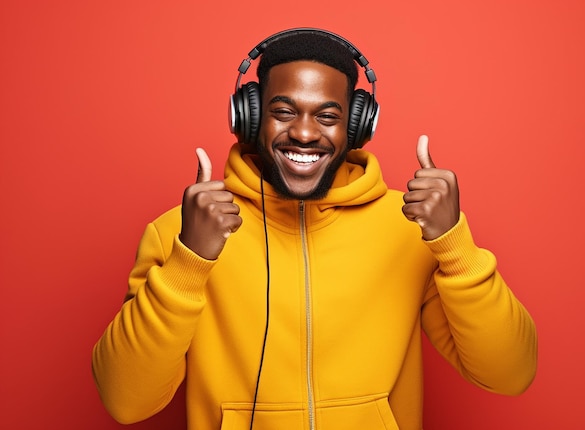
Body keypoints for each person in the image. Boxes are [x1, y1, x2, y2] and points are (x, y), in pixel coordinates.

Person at [92, 28, 537, 430]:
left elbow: (510, 373)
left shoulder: (409, 229)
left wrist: (452, 242)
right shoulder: (180, 233)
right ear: (248, 118)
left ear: (357, 126)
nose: (304, 133)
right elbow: (126, 401)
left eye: (327, 116)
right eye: (283, 111)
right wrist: (189, 260)